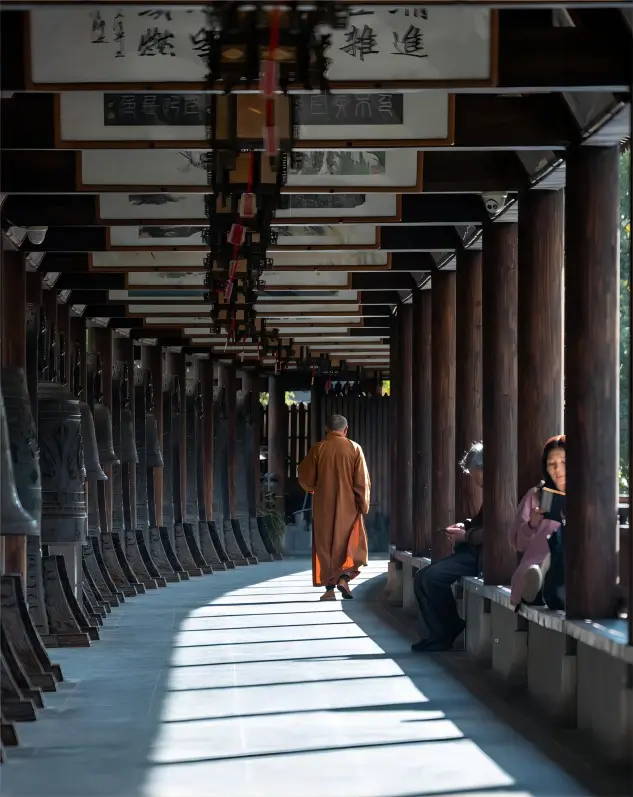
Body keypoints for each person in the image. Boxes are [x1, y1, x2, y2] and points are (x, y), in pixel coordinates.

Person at [411, 443, 484, 652]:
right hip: (472, 550)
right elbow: (481, 521)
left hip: (482, 556)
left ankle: (448, 628)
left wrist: (466, 535)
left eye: (474, 473)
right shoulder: (490, 491)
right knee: (421, 577)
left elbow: (498, 531)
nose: (474, 478)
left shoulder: (501, 488)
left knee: (432, 577)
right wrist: (465, 526)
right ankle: (437, 633)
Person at [297, 414, 370, 601]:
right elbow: (362, 481)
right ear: (345, 430)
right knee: (350, 543)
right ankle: (344, 578)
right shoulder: (354, 448)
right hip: (349, 506)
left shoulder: (319, 448)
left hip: (323, 506)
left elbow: (305, 477)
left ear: (327, 429)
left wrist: (314, 488)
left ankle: (329, 589)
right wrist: (363, 504)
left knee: (326, 545)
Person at [509, 435, 566, 608]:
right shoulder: (536, 496)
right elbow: (517, 543)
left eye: (564, 462)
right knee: (538, 572)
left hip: (567, 567)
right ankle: (537, 585)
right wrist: (531, 525)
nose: (558, 470)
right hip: (533, 568)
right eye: (551, 464)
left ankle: (544, 582)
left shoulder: (586, 499)